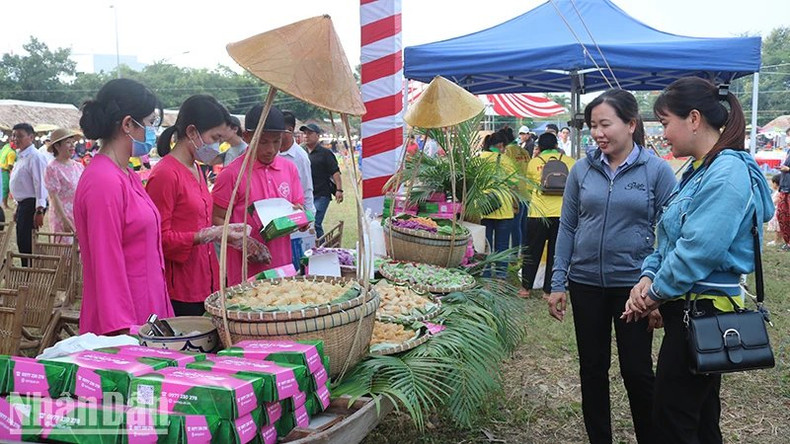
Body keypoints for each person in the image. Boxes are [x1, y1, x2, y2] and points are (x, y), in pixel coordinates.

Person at [623, 78, 775, 443]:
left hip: (705, 309)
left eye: (665, 123)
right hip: (688, 308)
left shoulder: (726, 172)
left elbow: (699, 249)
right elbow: (670, 235)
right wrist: (647, 277)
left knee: (673, 418)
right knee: (700, 417)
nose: (663, 134)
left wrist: (652, 293)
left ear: (693, 118)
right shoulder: (697, 170)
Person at [548, 89, 676, 444]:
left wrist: (658, 292)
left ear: (631, 124)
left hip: (633, 289)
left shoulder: (656, 171)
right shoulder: (581, 170)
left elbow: (672, 232)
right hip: (586, 284)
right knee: (592, 368)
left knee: (636, 372)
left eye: (606, 124)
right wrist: (558, 282)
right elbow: (568, 226)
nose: (598, 133)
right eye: (593, 126)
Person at [75, 78, 174, 335]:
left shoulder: (126, 173)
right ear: (128, 124)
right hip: (125, 325)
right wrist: (123, 332)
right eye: (150, 123)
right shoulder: (103, 181)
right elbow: (106, 264)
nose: (152, 131)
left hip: (149, 312)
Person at [146, 94, 237, 316]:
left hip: (207, 281)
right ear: (192, 132)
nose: (218, 146)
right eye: (215, 137)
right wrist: (207, 235)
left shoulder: (197, 168)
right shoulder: (166, 174)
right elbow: (159, 238)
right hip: (181, 289)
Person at [213, 105, 304, 285]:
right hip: (244, 272)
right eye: (263, 142)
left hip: (281, 269)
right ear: (247, 136)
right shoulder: (232, 174)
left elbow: (298, 207)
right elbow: (216, 218)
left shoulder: (289, 169)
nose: (270, 149)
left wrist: (300, 217)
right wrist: (243, 242)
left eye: (276, 141)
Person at [519, 132, 575, 298]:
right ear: (557, 145)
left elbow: (528, 188)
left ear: (540, 147)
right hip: (562, 214)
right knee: (556, 252)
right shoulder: (570, 162)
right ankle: (548, 290)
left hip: (538, 212)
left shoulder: (534, 162)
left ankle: (525, 289)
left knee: (532, 250)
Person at [280, 111, 316, 269]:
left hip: (296, 221)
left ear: (290, 130)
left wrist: (310, 219)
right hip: (278, 221)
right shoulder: (273, 153)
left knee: (295, 264)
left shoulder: (300, 157)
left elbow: (307, 189)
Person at [479, 131, 518, 278]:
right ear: (500, 145)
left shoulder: (479, 158)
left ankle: (485, 275)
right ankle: (501, 276)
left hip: (484, 207)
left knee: (484, 245)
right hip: (504, 208)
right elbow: (514, 185)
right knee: (502, 245)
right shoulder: (507, 160)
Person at [9, 123, 49, 264]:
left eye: (19, 136)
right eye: (14, 135)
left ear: (31, 137)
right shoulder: (22, 156)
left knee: (27, 243)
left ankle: (29, 274)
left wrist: (39, 210)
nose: (15, 139)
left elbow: (40, 185)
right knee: (22, 241)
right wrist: (17, 206)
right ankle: (27, 271)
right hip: (23, 204)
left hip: (32, 204)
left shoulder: (35, 157)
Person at [301, 123, 342, 240]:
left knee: (315, 222)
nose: (306, 136)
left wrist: (339, 189)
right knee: (307, 224)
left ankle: (320, 248)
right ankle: (317, 246)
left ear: (317, 136)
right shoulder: (301, 152)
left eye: (309, 133)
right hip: (306, 195)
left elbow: (335, 172)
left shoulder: (325, 153)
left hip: (322, 194)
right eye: (305, 133)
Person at [43, 128, 84, 242]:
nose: (72, 146)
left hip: (78, 214)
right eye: (68, 143)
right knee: (65, 251)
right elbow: (53, 196)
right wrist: (64, 219)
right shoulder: (52, 168)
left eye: (73, 142)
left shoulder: (78, 166)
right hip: (62, 215)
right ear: (57, 146)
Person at [777, 137, 790, 250]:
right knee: (782, 215)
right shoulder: (788, 151)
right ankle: (788, 242)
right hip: (785, 186)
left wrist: (788, 169)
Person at [766, 175, 782, 246]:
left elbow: (774, 201)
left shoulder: (779, 192)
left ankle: (777, 241)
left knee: (778, 228)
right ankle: (779, 240)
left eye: (772, 183)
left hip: (778, 211)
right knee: (779, 228)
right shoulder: (780, 191)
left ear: (775, 183)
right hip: (778, 211)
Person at [0, 141, 16, 209]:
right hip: (4, 171)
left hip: (1, 168)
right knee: (5, 188)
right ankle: (5, 204)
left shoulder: (6, 146)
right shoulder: (12, 153)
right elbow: (10, 165)